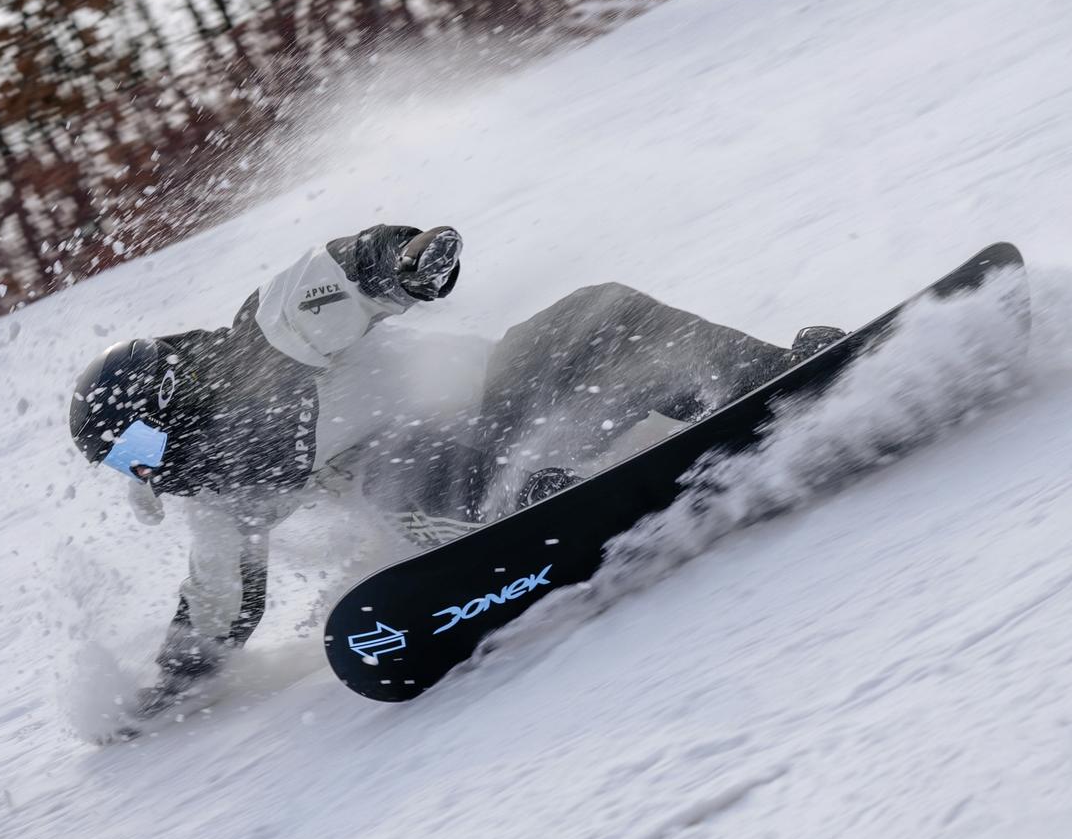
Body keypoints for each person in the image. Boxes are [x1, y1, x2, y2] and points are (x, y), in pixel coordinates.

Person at [69, 222, 842, 719]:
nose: (149, 471)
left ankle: (778, 378)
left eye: (137, 447)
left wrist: (401, 265)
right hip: (440, 489)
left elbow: (333, 277)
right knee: (402, 467)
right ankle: (540, 504)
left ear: (169, 399)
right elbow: (217, 600)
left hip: (500, 393)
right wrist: (168, 686)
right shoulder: (222, 495)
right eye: (125, 465)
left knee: (599, 311)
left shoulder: (268, 347)